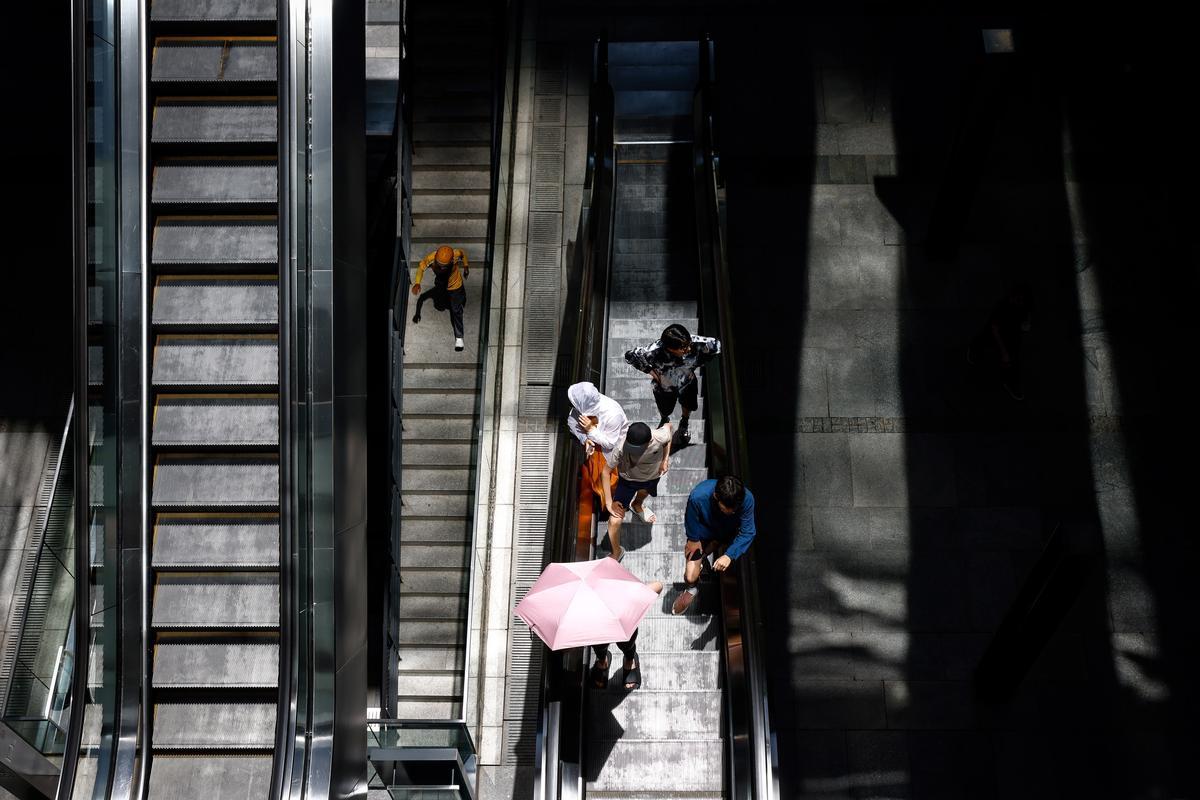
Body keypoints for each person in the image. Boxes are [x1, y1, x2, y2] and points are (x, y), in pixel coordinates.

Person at [671, 475, 756, 615]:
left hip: (728, 533)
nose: (732, 512)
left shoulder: (747, 499)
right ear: (716, 497)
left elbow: (748, 532)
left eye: (734, 509)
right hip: (703, 533)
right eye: (727, 508)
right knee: (690, 576)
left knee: (716, 544)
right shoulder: (698, 497)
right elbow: (691, 523)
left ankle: (705, 556)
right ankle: (692, 588)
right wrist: (693, 540)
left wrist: (729, 555)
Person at [624, 323, 720, 443]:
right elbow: (630, 356)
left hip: (687, 383)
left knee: (689, 404)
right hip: (664, 387)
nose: (688, 349)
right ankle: (665, 420)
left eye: (688, 344)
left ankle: (684, 421)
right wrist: (653, 373)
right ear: (670, 348)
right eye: (683, 348)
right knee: (665, 409)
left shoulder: (696, 343)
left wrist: (700, 362)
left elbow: (716, 345)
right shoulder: (654, 351)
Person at [599, 421, 672, 561]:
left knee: (644, 493)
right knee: (614, 521)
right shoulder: (621, 448)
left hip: (652, 477)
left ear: (649, 441)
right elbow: (605, 472)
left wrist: (665, 459)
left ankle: (637, 505)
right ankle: (617, 551)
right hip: (627, 481)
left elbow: (669, 427)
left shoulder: (658, 436)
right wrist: (609, 503)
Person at [591, 580, 663, 690]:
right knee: (599, 645)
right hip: (599, 628)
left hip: (625, 625)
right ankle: (603, 660)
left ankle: (629, 659)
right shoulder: (589, 600)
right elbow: (659, 586)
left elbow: (658, 586)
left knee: (626, 644)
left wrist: (636, 603)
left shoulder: (628, 594)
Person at [566, 382, 629, 505]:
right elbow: (572, 420)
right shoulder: (584, 407)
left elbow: (610, 444)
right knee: (595, 473)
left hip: (611, 452)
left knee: (609, 481)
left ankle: (609, 500)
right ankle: (598, 491)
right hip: (596, 449)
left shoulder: (612, 415)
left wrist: (590, 430)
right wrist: (585, 438)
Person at [967, 284, 1032, 401]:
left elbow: (1025, 327)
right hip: (995, 332)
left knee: (1013, 359)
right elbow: (994, 329)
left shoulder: (1023, 307)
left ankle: (1009, 381)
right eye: (1017, 298)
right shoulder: (1002, 308)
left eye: (1022, 299)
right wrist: (1003, 351)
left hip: (1011, 334)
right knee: (985, 341)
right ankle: (974, 347)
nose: (1019, 300)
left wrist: (1026, 323)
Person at [412, 245, 469, 352]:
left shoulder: (456, 254)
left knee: (456, 310)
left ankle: (459, 337)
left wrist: (466, 266)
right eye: (440, 265)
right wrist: (417, 283)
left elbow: (463, 254)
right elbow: (421, 268)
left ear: (452, 260)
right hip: (441, 284)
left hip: (455, 286)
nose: (442, 268)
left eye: (445, 266)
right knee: (441, 303)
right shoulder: (432, 257)